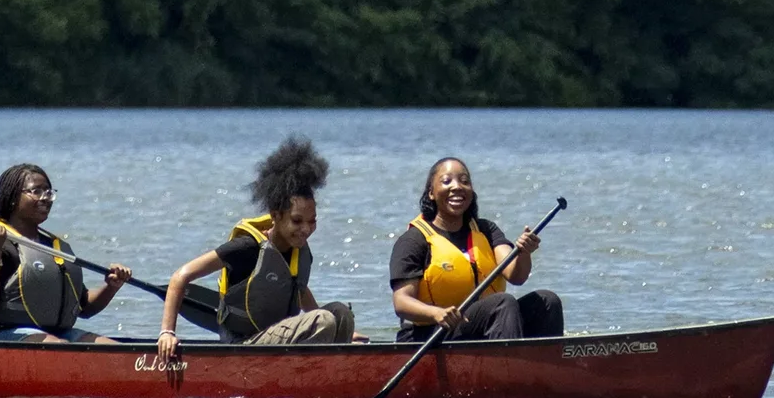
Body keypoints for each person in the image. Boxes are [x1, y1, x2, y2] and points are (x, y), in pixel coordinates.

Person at [156, 137, 358, 359]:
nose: (306, 229)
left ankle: (330, 374)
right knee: (324, 320)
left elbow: (298, 290)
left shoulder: (298, 252)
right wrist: (167, 332)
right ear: (276, 216)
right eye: (297, 221)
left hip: (277, 336)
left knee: (340, 314)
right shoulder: (246, 248)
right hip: (243, 343)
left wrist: (342, 332)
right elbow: (180, 277)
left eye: (312, 221)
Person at [389, 156, 562, 342]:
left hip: (484, 324)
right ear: (431, 193)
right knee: (503, 303)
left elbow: (516, 276)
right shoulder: (414, 240)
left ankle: (544, 368)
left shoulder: (486, 230)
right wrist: (436, 313)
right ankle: (505, 368)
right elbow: (402, 302)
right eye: (446, 181)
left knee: (547, 301)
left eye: (464, 181)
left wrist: (525, 252)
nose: (457, 187)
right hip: (432, 334)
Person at [0, 162, 131, 342]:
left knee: (108, 347)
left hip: (57, 336)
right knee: (57, 345)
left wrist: (111, 287)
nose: (45, 198)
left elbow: (84, 308)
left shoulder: (55, 247)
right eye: (36, 191)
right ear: (12, 198)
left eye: (49, 192)